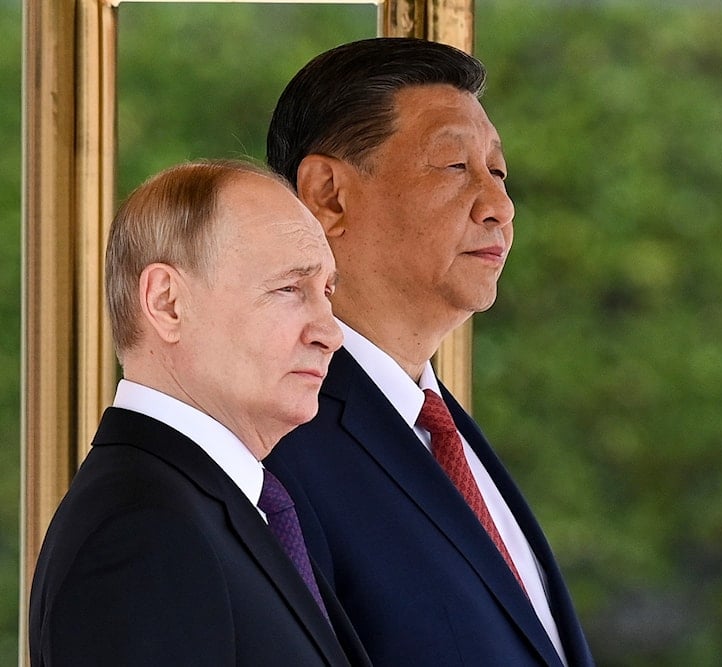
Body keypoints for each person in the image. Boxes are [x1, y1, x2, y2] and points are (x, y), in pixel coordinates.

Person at [264, 38, 594, 666]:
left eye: (497, 172)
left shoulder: (443, 430)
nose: (499, 206)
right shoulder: (273, 442)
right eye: (453, 168)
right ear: (329, 194)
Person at [28, 160, 371, 666]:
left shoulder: (211, 509)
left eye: (326, 292)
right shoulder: (143, 533)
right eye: (289, 289)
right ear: (167, 303)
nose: (331, 332)